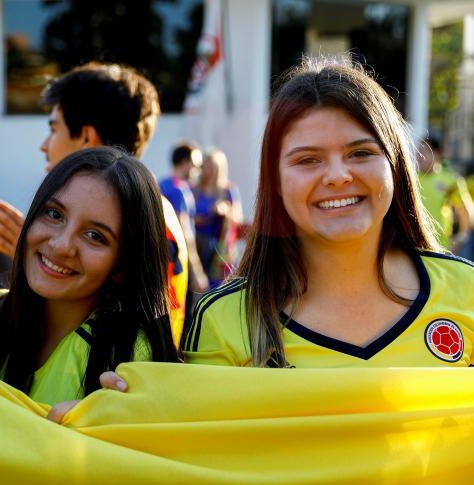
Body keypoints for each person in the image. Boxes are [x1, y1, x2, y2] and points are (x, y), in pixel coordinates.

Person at [181, 57, 474, 368]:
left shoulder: (465, 290)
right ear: (275, 181)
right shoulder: (223, 319)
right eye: (308, 160)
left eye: (360, 153)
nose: (337, 175)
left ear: (396, 168)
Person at [0, 147, 179, 405]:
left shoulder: (131, 359)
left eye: (94, 236)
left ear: (122, 267)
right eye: (55, 214)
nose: (61, 245)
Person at [0, 62, 190, 347]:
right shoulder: (154, 207)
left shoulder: (146, 216)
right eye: (54, 215)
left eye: (54, 129)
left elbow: (126, 316)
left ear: (86, 138)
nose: (45, 145)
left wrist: (45, 261)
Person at [160, 143, 209, 296]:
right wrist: (197, 272)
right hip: (178, 264)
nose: (198, 171)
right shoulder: (180, 190)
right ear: (185, 162)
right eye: (196, 165)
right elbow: (186, 232)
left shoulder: (161, 185)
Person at [193, 148, 243, 288]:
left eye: (211, 166)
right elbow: (187, 217)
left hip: (219, 245)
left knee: (218, 286)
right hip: (197, 242)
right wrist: (208, 215)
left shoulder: (228, 190)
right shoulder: (195, 189)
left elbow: (237, 218)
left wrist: (225, 210)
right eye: (205, 166)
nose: (207, 170)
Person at [417, 135, 474, 254]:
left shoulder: (451, 180)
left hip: (441, 247)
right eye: (418, 152)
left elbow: (465, 211)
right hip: (413, 245)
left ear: (437, 154)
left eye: (424, 152)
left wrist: (461, 238)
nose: (419, 156)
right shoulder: (410, 178)